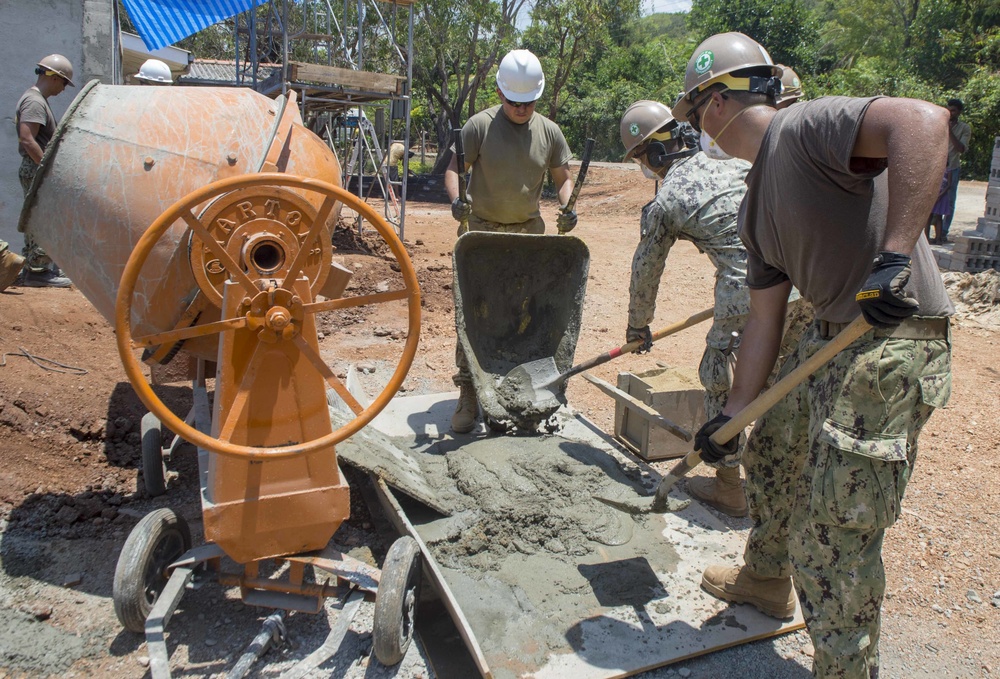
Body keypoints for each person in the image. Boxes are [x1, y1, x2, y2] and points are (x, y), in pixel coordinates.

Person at [674, 32, 953, 678]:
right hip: (829, 335)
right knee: (773, 444)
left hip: (890, 340)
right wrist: (733, 418)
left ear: (715, 103)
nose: (696, 128)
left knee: (829, 542)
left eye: (693, 113)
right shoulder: (754, 207)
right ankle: (765, 577)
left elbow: (923, 120)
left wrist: (894, 256)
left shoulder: (804, 128)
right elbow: (765, 323)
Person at [621, 100, 810, 517]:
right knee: (787, 380)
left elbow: (645, 273)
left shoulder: (666, 199)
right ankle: (789, 487)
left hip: (750, 291)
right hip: (804, 282)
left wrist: (638, 328)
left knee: (720, 378)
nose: (645, 169)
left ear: (654, 155)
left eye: (641, 160)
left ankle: (728, 487)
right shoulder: (732, 162)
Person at [444, 48, 575, 434]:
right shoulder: (479, 126)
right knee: (472, 317)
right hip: (481, 237)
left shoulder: (549, 132)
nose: (521, 108)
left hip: (528, 238)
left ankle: (520, 395)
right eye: (514, 102)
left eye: (529, 102)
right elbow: (455, 168)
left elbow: (563, 178)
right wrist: (456, 200)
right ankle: (468, 393)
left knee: (525, 316)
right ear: (500, 94)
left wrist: (567, 207)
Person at [15, 54, 75, 288]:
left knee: (38, 217)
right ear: (52, 76)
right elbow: (27, 139)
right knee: (46, 217)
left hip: (34, 167)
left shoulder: (36, 100)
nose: (63, 89)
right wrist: (45, 170)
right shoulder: (35, 102)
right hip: (35, 167)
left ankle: (34, 268)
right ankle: (38, 271)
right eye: (63, 82)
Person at [933, 98, 971, 244]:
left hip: (952, 167)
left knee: (949, 202)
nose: (950, 112)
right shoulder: (939, 124)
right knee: (932, 200)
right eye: (948, 109)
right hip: (937, 165)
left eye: (953, 110)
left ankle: (943, 232)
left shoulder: (964, 128)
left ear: (959, 112)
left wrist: (949, 130)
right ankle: (930, 234)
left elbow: (961, 149)